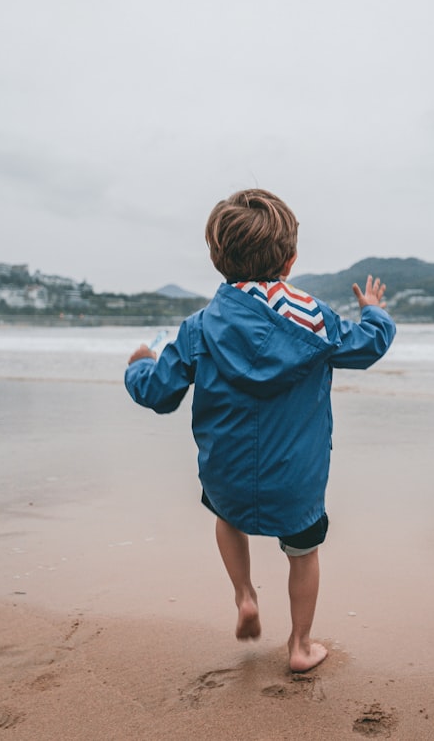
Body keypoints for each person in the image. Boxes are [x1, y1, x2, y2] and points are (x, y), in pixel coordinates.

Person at [125, 189, 396, 673]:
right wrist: (373, 309)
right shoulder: (315, 320)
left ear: (217, 260)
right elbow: (369, 345)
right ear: (290, 260)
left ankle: (245, 596)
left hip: (226, 473)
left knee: (226, 519)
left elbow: (158, 393)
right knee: (303, 553)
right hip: (296, 478)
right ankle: (299, 645)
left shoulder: (200, 326)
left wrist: (138, 366)